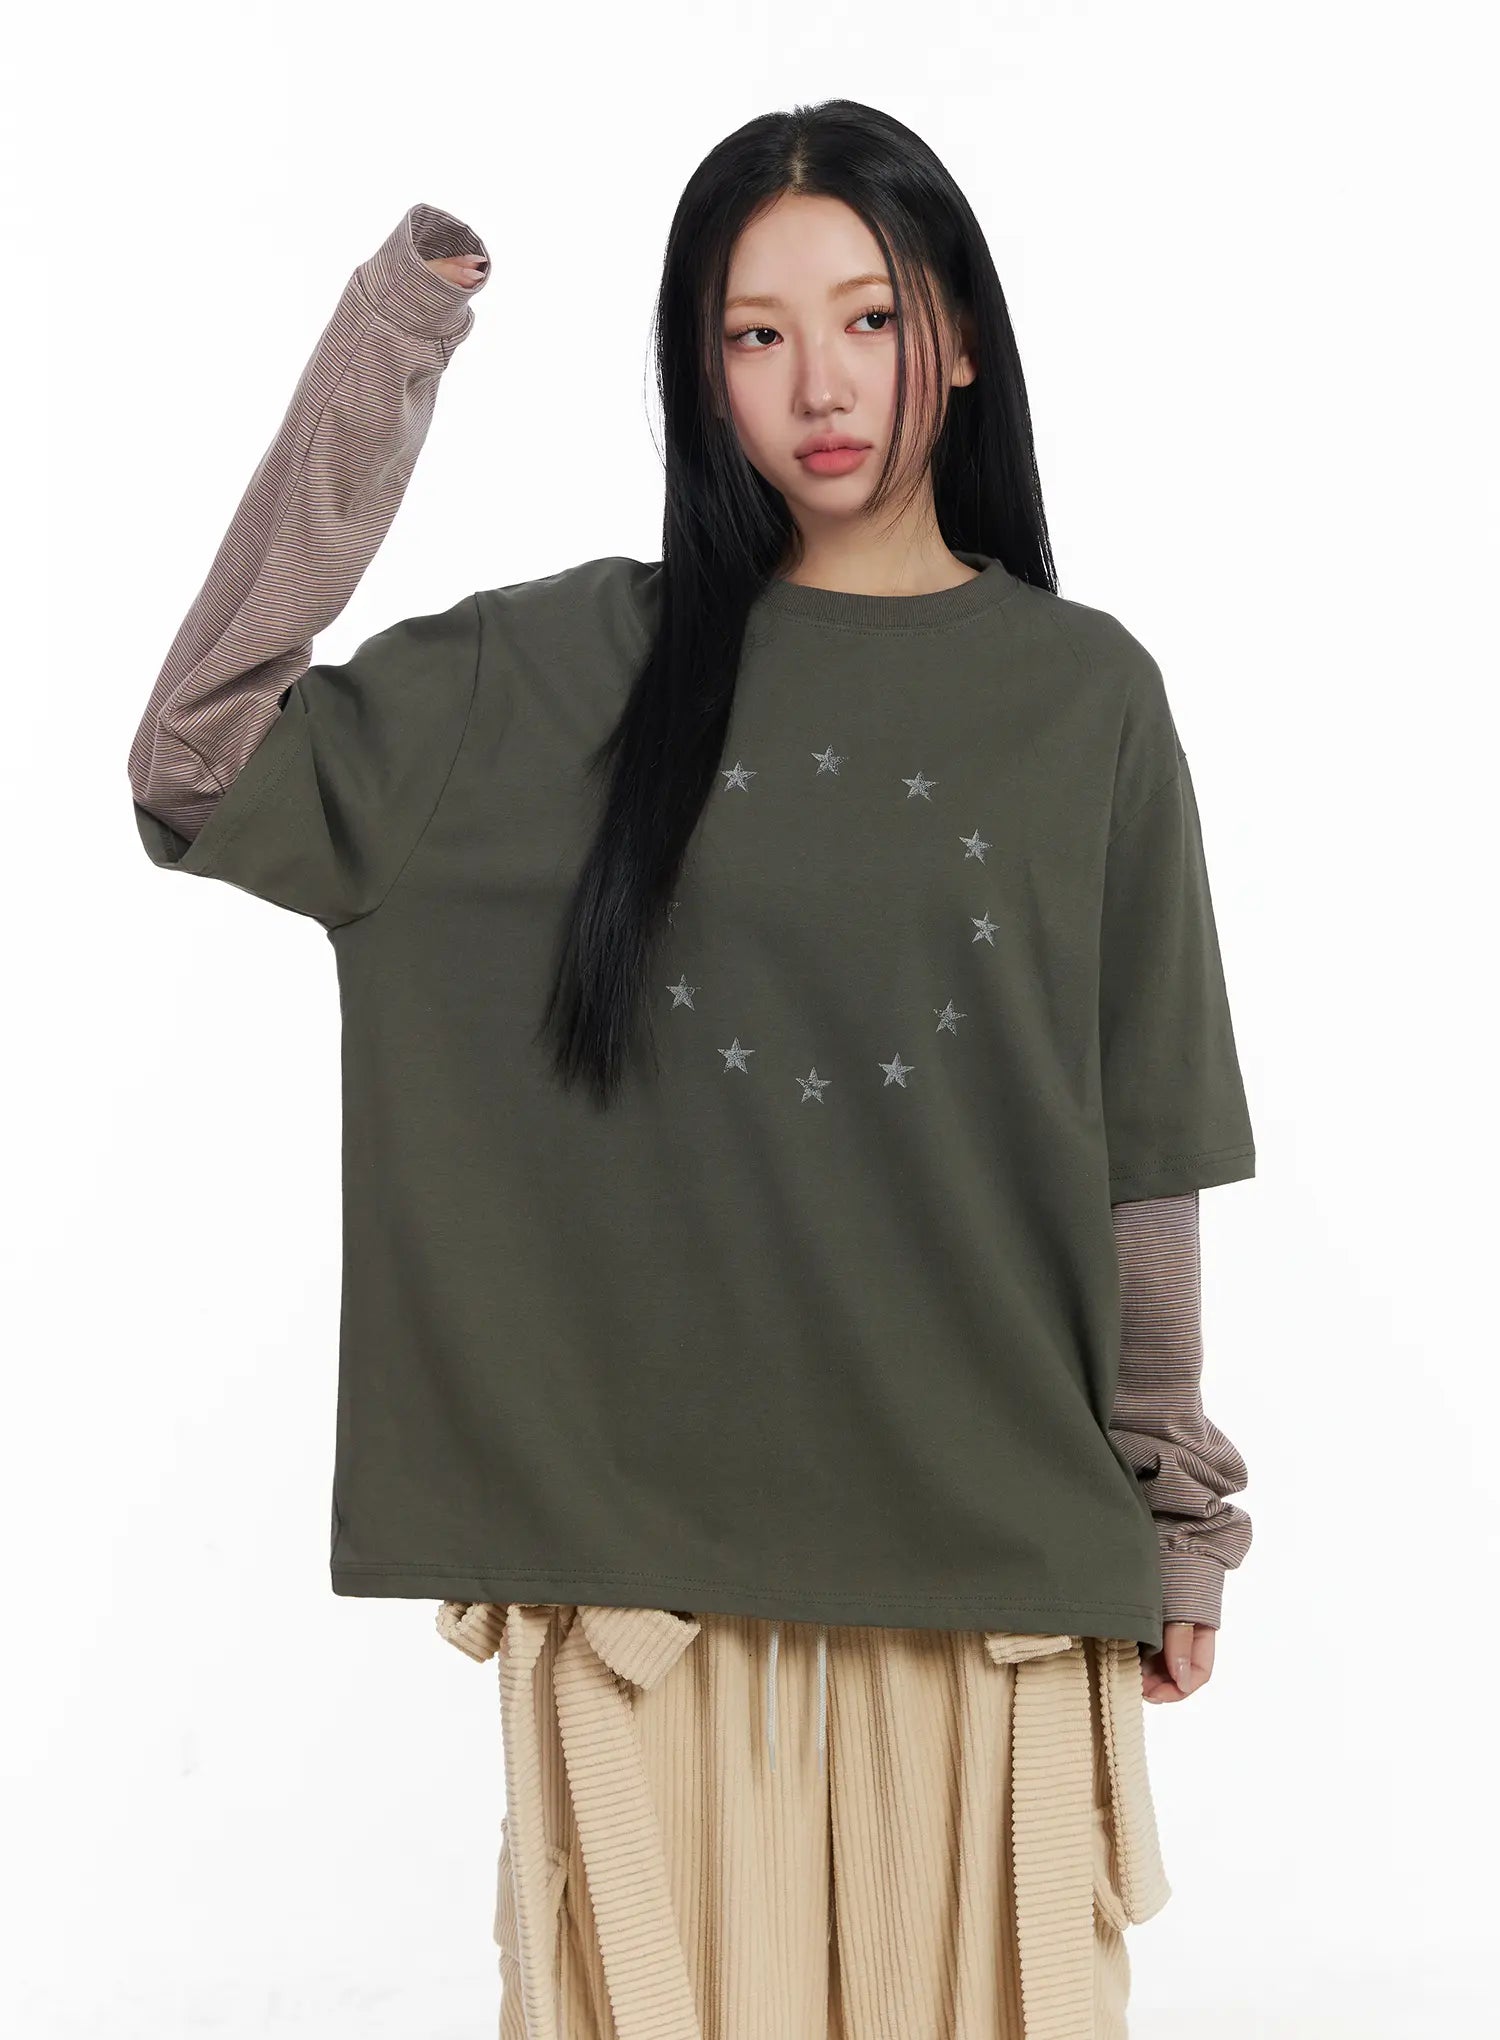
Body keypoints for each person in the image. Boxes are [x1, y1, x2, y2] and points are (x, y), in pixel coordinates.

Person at [128, 99, 1255, 2040]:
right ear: (697, 371)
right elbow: (199, 760)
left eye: (870, 317)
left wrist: (1176, 1513)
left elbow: (1141, 1139)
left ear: (958, 339)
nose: (820, 383)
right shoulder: (566, 676)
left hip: (991, 1582)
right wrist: (395, 343)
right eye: (754, 333)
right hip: (643, 1598)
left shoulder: (1086, 699)